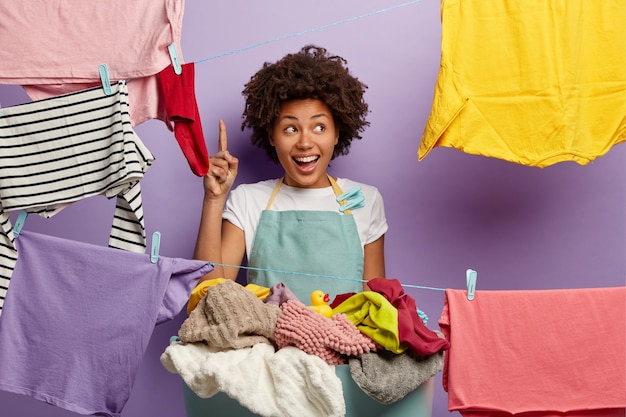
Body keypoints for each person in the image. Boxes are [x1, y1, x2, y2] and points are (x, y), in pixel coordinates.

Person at [193, 45, 387, 303]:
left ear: (337, 133)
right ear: (271, 135)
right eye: (290, 129)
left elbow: (377, 309)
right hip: (267, 342)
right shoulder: (248, 200)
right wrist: (214, 200)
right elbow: (208, 300)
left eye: (319, 127)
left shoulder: (365, 200)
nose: (305, 143)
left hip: (343, 342)